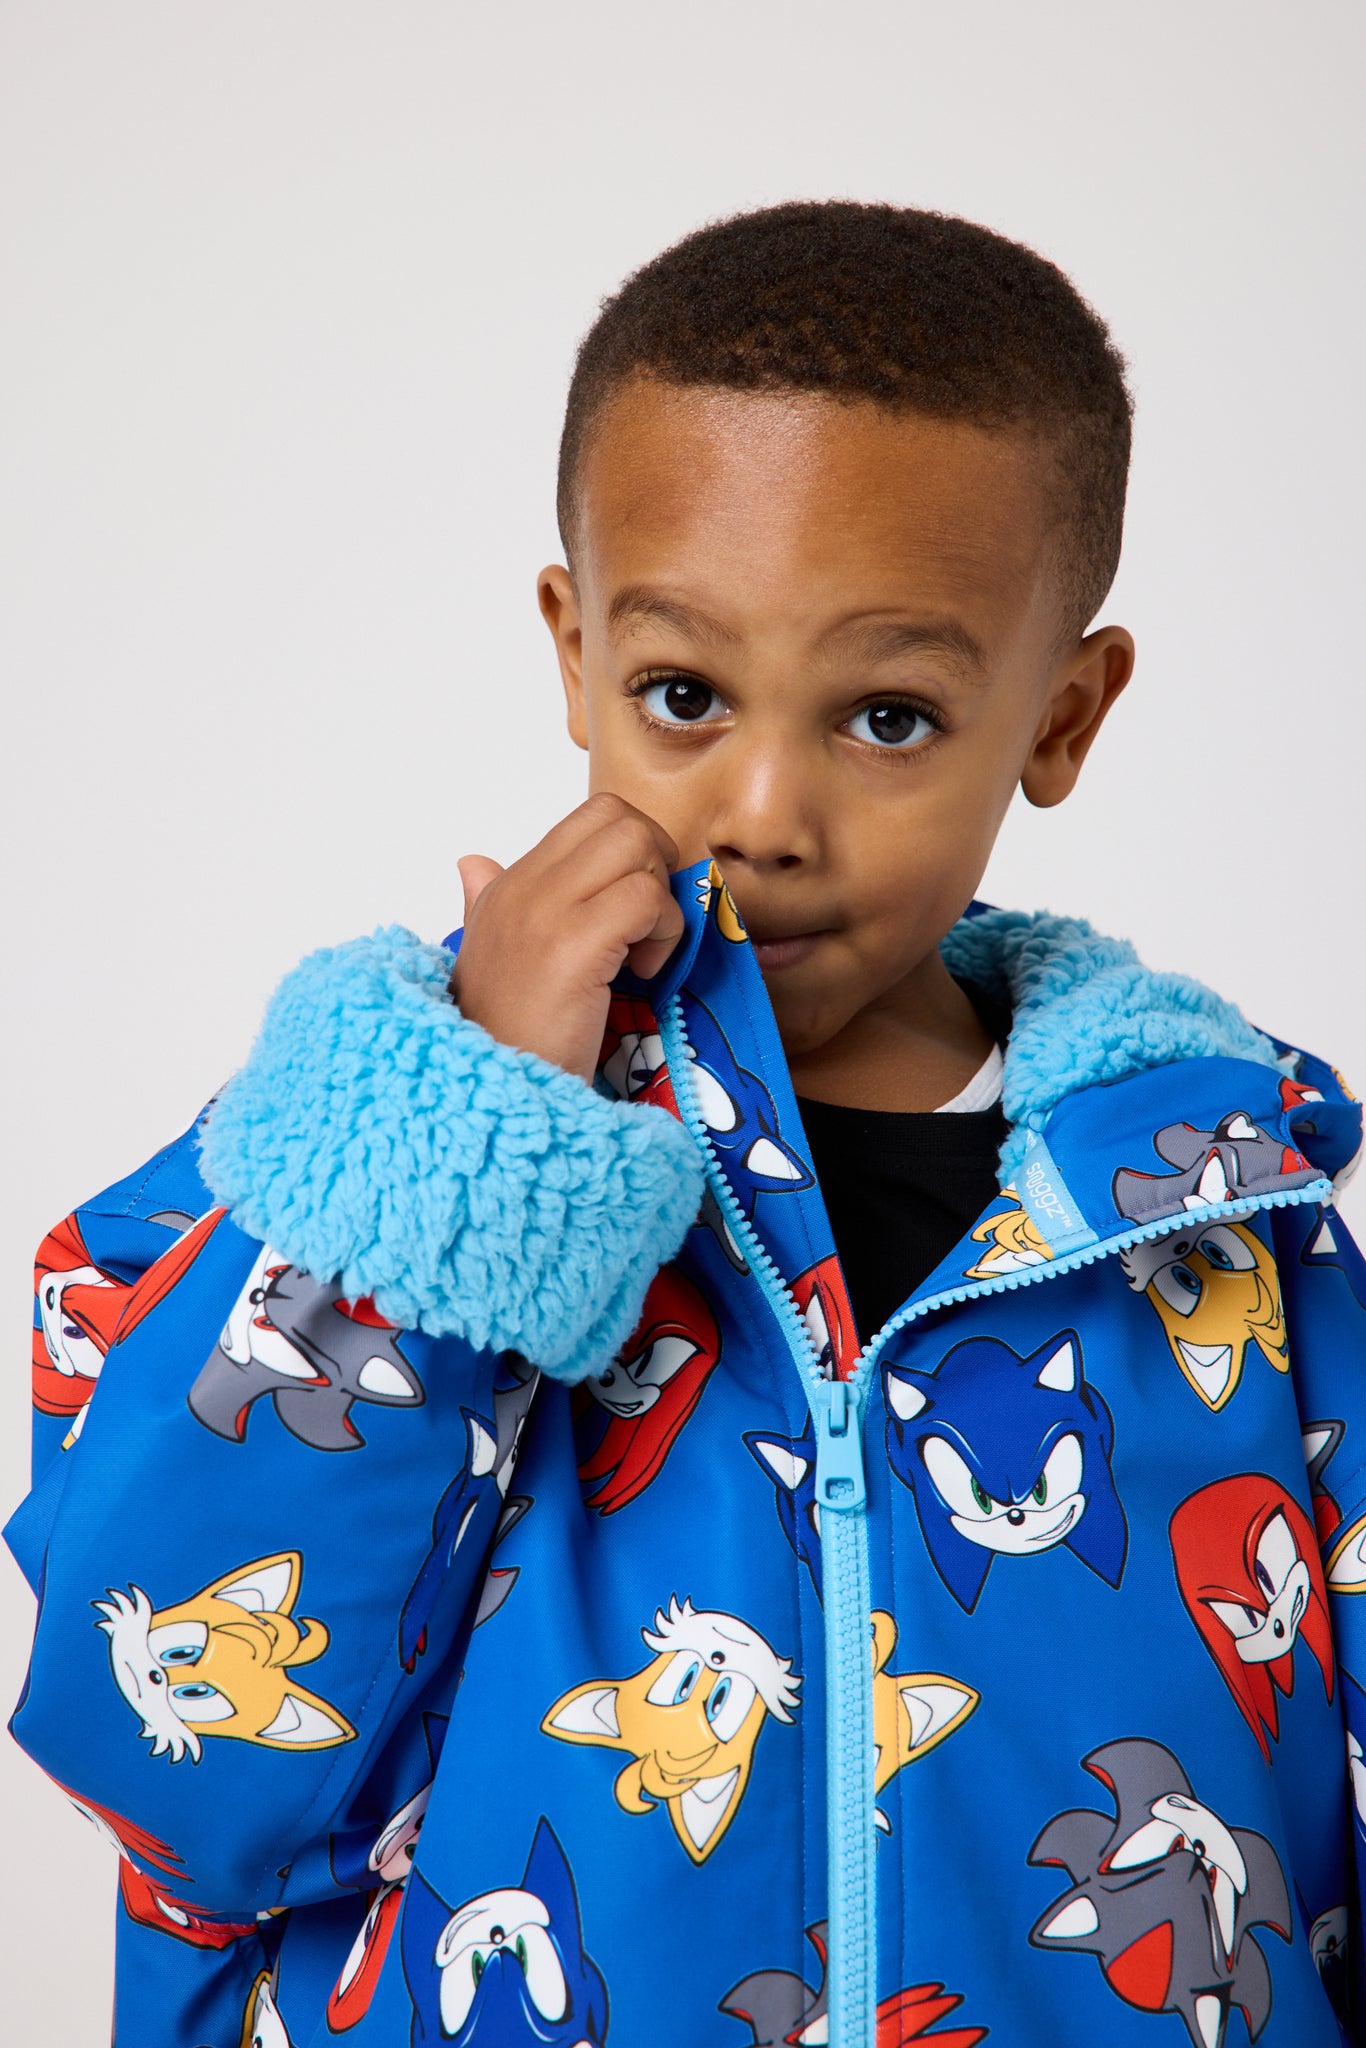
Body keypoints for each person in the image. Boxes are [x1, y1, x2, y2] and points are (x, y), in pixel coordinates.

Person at [8, 200, 1365, 2048]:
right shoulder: (349, 1157)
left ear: (1061, 715)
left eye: (888, 717)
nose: (763, 810)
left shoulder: (1218, 1224)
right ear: (574, 653)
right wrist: (463, 1143)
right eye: (682, 696)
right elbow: (162, 1757)